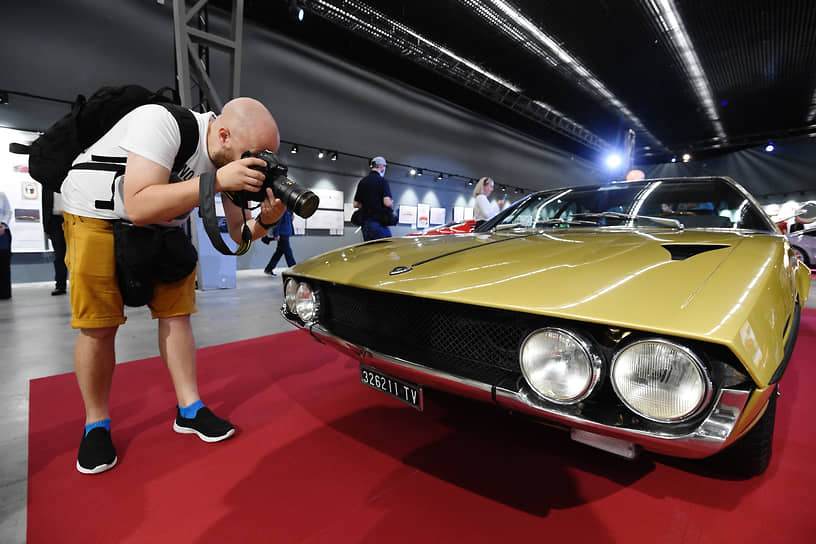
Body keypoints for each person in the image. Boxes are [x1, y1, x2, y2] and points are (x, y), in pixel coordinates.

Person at [60, 97, 286, 474]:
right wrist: (214, 182)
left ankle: (190, 408)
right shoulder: (161, 121)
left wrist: (265, 220)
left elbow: (237, 236)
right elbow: (137, 205)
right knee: (99, 325)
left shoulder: (229, 160)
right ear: (224, 134)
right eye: (255, 155)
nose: (259, 164)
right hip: (94, 213)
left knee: (178, 315)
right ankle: (95, 424)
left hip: (164, 223)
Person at [353, 156, 394, 241]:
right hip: (378, 223)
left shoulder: (362, 181)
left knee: (370, 251)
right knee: (387, 249)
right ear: (382, 166)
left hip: (365, 224)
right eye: (385, 166)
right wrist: (391, 202)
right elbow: (386, 202)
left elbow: (356, 204)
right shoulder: (382, 181)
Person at [42, 189, 68, 295]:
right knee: (59, 255)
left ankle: (83, 285)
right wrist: (46, 228)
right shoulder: (47, 185)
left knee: (79, 254)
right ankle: (60, 286)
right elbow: (44, 207)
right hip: (54, 221)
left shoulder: (70, 180)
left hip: (71, 218)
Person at [262, 207, 296, 275]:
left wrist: (291, 219)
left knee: (279, 253)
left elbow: (286, 222)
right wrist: (276, 234)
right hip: (282, 234)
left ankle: (268, 269)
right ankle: (294, 270)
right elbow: (278, 222)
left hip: (286, 233)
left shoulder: (290, 211)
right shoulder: (283, 209)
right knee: (288, 253)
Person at [0, 191, 12, 300]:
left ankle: (4, 293)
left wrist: (3, 225)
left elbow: (8, 212)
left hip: (2, 233)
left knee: (3, 265)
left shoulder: (1, 195)